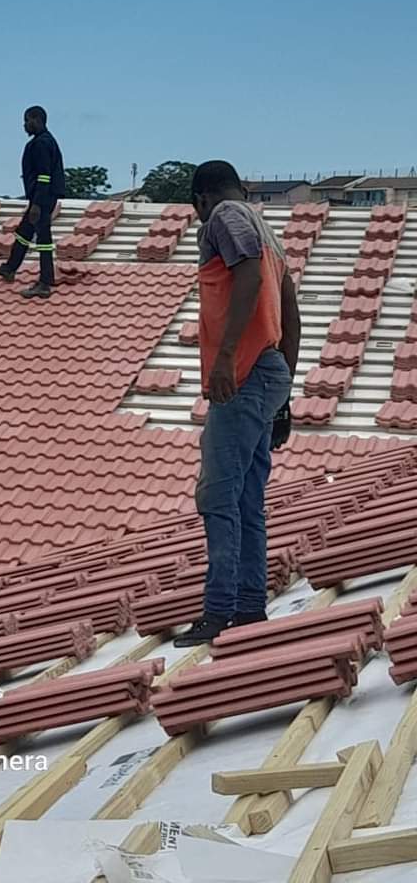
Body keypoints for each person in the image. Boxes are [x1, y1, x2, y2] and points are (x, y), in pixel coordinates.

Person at [173, 160, 301, 646]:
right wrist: (283, 399)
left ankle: (219, 609)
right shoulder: (268, 234)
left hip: (244, 376)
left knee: (218, 495)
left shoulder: (224, 216)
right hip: (268, 375)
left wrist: (226, 357)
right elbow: (291, 316)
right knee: (248, 498)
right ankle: (248, 606)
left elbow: (247, 275)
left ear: (200, 200)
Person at [0, 105, 66, 299]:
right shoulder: (43, 141)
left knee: (44, 239)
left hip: (43, 198)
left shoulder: (42, 144)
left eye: (27, 121)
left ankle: (45, 283)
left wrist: (37, 204)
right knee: (24, 232)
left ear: (37, 120)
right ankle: (10, 268)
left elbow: (44, 176)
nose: (24, 125)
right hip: (41, 197)